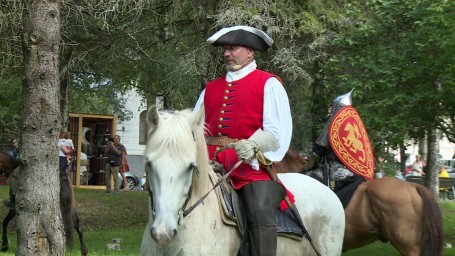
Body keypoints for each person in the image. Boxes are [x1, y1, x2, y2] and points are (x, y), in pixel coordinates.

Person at [194, 25, 292, 256]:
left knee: (259, 210)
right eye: (225, 50)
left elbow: (278, 132)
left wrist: (254, 145)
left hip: (249, 166)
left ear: (250, 52)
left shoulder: (268, 83)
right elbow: (195, 128)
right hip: (210, 163)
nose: (226, 54)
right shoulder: (210, 88)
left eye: (232, 48)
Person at [303, 90, 374, 207]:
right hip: (355, 172)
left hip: (339, 170)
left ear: (337, 107)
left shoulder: (334, 123)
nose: (329, 110)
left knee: (308, 179)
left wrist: (307, 166)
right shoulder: (352, 123)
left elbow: (319, 150)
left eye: (331, 107)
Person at [3, 138, 21, 208]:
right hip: (14, 170)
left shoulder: (19, 150)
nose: (13, 144)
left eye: (14, 143)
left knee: (14, 186)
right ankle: (12, 201)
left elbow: (18, 160)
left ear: (18, 143)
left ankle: (13, 202)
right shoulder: (14, 150)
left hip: (18, 170)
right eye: (13, 143)